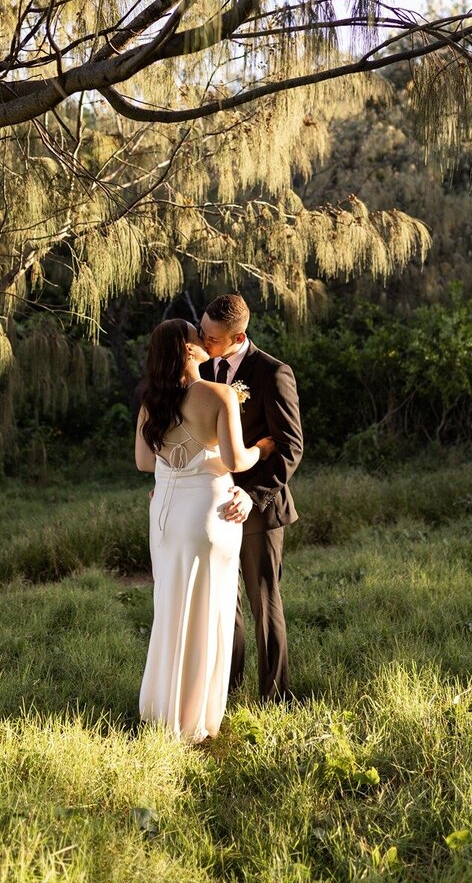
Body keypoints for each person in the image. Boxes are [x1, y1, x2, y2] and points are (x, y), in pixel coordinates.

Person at [135, 318, 275, 742]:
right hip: (207, 516)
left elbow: (145, 463)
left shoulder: (151, 402)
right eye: (199, 339)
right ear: (188, 350)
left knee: (171, 609)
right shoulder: (217, 395)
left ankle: (161, 713)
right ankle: (196, 719)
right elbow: (235, 461)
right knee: (208, 613)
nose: (206, 342)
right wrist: (263, 447)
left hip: (165, 515)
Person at [198, 293, 302, 701]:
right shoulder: (202, 367)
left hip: (259, 506)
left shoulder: (273, 373)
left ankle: (275, 698)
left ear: (238, 336)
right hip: (212, 504)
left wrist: (251, 494)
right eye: (202, 331)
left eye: (211, 338)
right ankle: (227, 691)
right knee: (226, 604)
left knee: (263, 604)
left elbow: (290, 447)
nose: (203, 341)